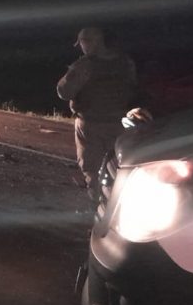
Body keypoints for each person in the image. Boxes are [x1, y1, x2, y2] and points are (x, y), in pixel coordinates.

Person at [57, 27, 150, 190]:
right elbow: (134, 89)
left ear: (90, 42)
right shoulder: (125, 62)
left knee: (92, 169)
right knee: (118, 168)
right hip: (120, 124)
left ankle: (97, 206)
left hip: (91, 125)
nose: (82, 48)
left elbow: (64, 92)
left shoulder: (85, 65)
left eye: (83, 43)